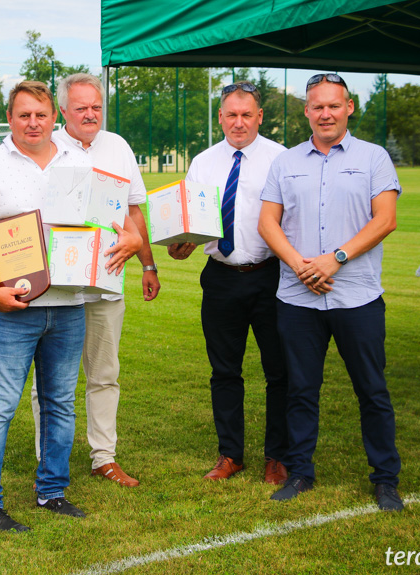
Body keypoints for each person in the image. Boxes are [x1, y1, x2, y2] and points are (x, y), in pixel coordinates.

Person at [0, 81, 140, 533]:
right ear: (9, 119)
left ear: (55, 117)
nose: (33, 123)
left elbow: (115, 222)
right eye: (23, 115)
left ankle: (52, 492)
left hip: (70, 305)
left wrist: (131, 239)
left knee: (59, 403)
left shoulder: (80, 162)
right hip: (13, 308)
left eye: (41, 114)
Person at [258, 73, 404, 511]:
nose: (325, 113)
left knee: (372, 390)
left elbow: (385, 220)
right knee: (301, 389)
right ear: (306, 110)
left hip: (356, 296)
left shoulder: (374, 158)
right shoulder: (286, 162)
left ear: (349, 107)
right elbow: (268, 223)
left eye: (334, 105)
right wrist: (302, 265)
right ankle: (300, 472)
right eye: (317, 106)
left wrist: (334, 258)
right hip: (298, 298)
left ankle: (385, 480)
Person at [29, 73, 157, 488]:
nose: (89, 114)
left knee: (104, 373)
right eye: (81, 107)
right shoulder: (45, 146)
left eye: (96, 107)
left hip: (107, 280)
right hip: (58, 285)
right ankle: (49, 459)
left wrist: (148, 264)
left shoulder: (117, 145)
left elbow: (134, 211)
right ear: (63, 110)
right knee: (48, 380)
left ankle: (104, 457)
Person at [168, 81, 290, 485]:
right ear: (220, 118)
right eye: (231, 115)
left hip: (271, 277)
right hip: (220, 278)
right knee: (224, 371)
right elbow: (190, 221)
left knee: (280, 371)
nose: (238, 122)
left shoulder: (282, 159)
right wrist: (180, 242)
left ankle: (277, 456)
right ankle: (230, 454)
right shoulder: (203, 162)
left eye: (246, 115)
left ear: (259, 117)